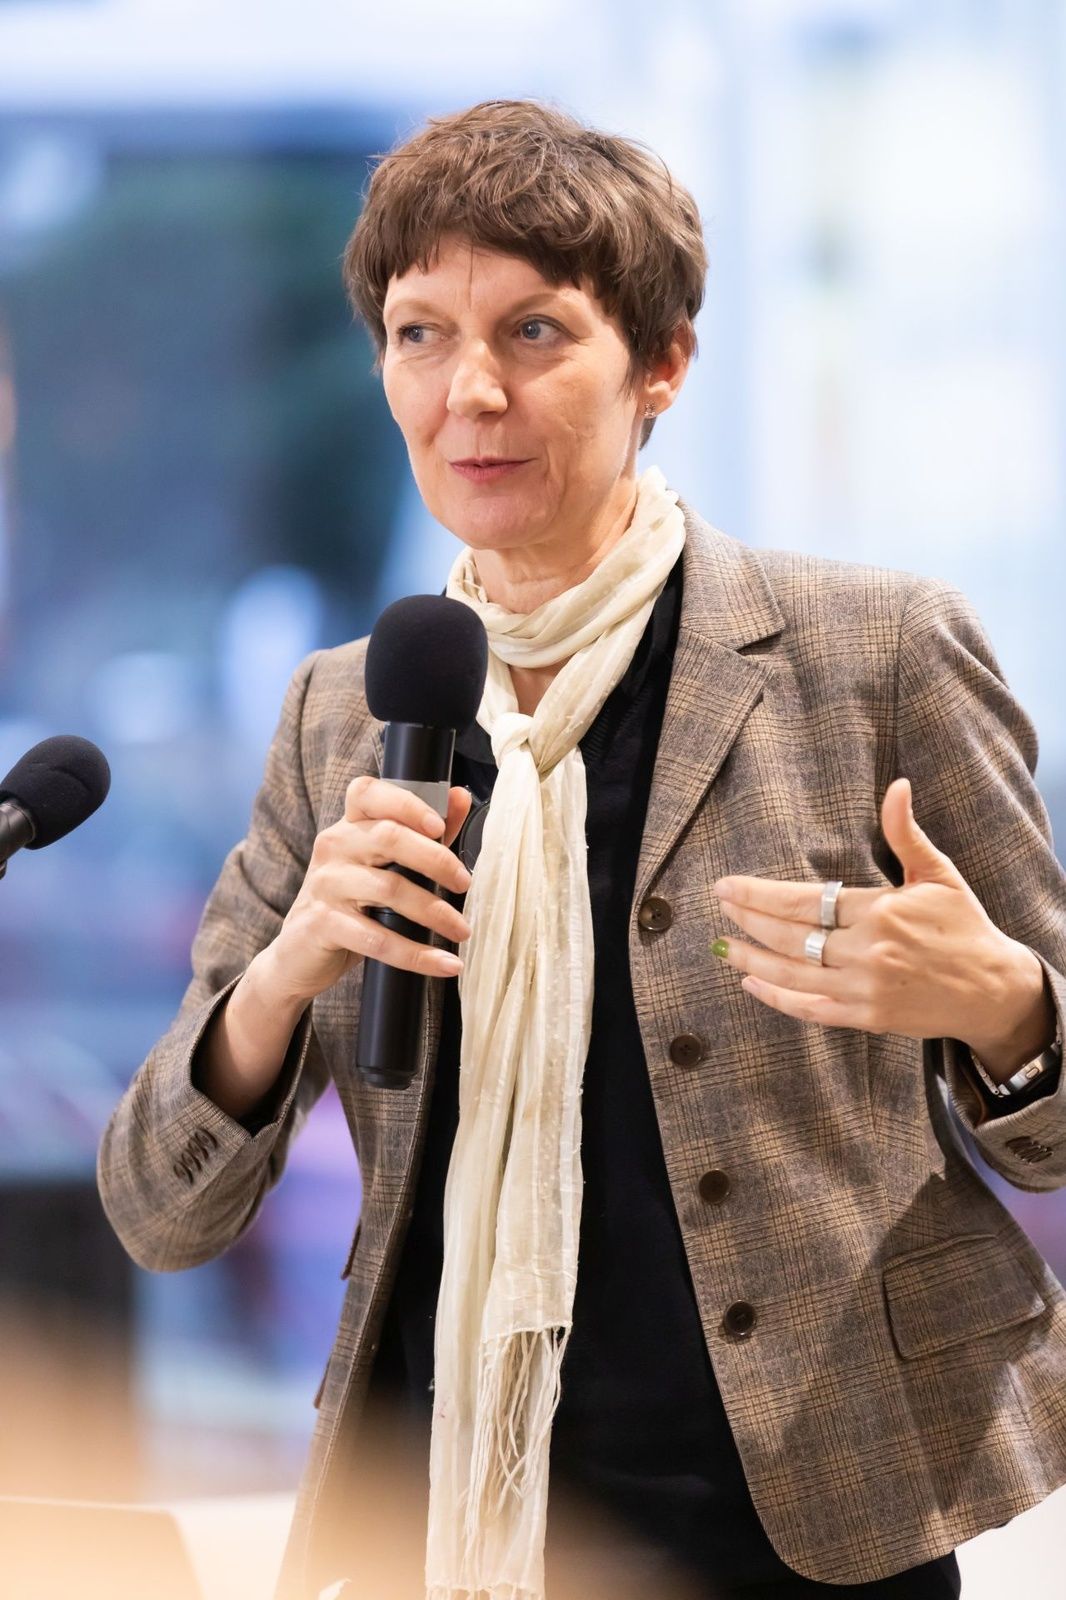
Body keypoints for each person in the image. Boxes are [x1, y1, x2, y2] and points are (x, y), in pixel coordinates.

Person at [97, 99, 1066, 1600]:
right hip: (433, 1520)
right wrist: (282, 979)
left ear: (660, 363)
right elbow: (162, 1210)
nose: (469, 391)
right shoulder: (345, 708)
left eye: (534, 332)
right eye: (420, 335)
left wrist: (1004, 1009)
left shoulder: (873, 652)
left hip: (798, 1520)